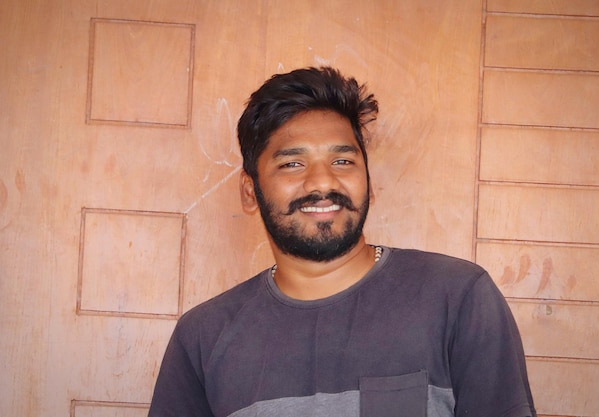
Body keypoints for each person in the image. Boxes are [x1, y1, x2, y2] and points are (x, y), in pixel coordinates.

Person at [148, 67, 537, 417]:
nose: (323, 183)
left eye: (343, 161)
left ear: (369, 183)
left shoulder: (457, 298)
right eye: (293, 164)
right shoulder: (203, 337)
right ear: (250, 192)